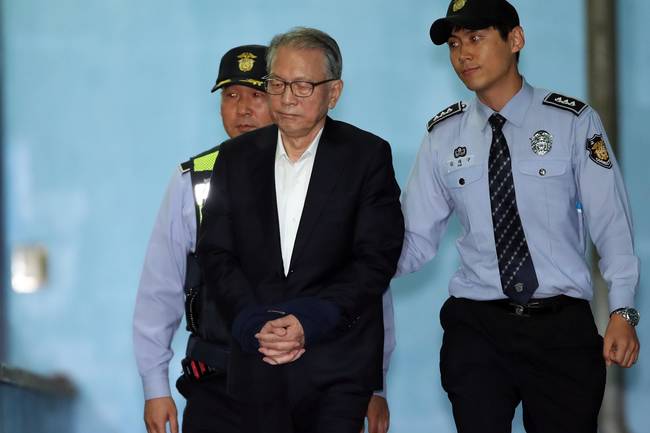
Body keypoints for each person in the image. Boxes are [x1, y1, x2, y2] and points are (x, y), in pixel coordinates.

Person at [397, 1, 640, 432]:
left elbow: (612, 223)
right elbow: (413, 240)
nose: (463, 54)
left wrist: (623, 310)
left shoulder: (572, 122)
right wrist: (354, 265)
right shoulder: (442, 136)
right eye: (453, 44)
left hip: (560, 327)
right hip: (477, 325)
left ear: (515, 39)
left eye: (475, 38)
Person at [134, 44, 396, 433]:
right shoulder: (199, 175)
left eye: (256, 94)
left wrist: (375, 383)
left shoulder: (354, 160)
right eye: (231, 95)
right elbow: (162, 285)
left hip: (321, 370)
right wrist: (154, 383)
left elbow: (369, 278)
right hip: (219, 372)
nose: (243, 109)